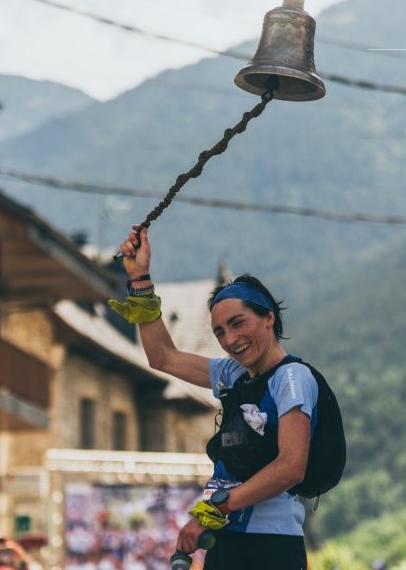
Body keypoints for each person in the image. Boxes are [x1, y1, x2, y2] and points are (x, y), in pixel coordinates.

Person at [115, 226, 319, 570]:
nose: (230, 339)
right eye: (220, 332)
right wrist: (141, 279)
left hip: (270, 545)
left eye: (239, 323)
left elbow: (290, 467)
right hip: (227, 539)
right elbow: (162, 356)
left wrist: (214, 510)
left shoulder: (293, 377)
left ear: (269, 317)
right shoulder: (234, 375)